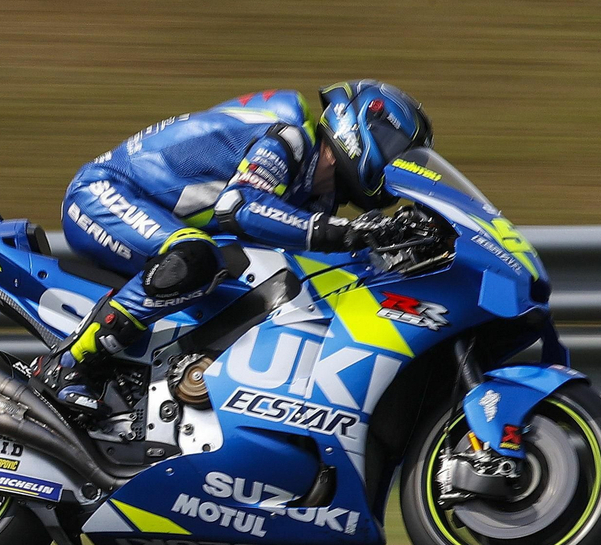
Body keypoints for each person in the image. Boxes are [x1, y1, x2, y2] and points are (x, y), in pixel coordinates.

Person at [34, 80, 434, 410]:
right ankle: (67, 365)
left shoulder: (318, 198)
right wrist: (344, 232)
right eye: (398, 150)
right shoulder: (291, 137)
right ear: (360, 127)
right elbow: (240, 207)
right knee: (194, 257)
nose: (401, 165)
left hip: (157, 218)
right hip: (105, 192)